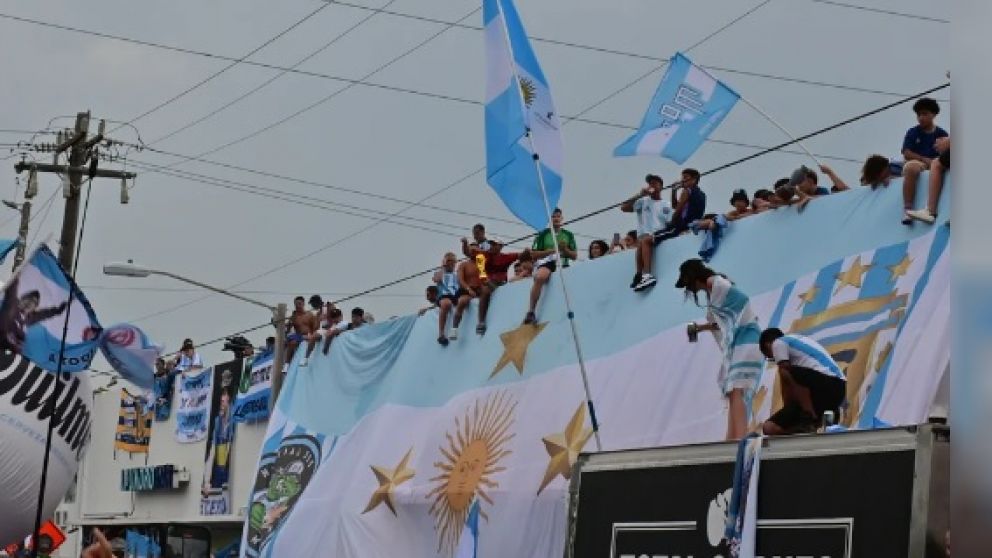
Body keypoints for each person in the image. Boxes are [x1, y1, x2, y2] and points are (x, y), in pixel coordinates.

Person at [675, 259, 764, 440]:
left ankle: (739, 437)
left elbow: (740, 302)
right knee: (732, 390)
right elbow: (723, 321)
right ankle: (732, 437)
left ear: (693, 278)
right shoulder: (713, 291)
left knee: (736, 387)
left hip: (746, 338)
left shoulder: (715, 284)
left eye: (688, 283)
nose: (689, 289)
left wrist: (736, 322)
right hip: (742, 338)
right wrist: (702, 328)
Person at [758, 328, 847, 436]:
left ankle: (809, 416)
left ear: (768, 345)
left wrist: (788, 407)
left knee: (785, 370)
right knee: (769, 427)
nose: (773, 358)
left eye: (770, 357)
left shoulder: (779, 342)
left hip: (828, 385)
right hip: (835, 391)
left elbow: (785, 376)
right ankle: (800, 431)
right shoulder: (799, 341)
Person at [620, 174, 673, 291]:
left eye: (654, 183)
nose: (651, 186)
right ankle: (640, 274)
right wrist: (639, 194)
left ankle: (647, 274)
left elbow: (670, 223)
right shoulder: (643, 201)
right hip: (643, 238)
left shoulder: (667, 204)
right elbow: (623, 207)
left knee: (644, 241)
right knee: (641, 242)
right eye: (650, 183)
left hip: (657, 235)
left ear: (661, 186)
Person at [524, 208, 577, 324]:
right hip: (547, 263)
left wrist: (565, 250)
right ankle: (531, 311)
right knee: (540, 277)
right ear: (550, 219)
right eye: (553, 216)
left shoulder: (568, 234)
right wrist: (553, 250)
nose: (556, 218)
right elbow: (534, 254)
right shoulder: (543, 234)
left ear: (562, 218)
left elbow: (574, 256)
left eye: (558, 216)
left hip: (563, 264)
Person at [901, 97, 949, 224]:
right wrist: (924, 159)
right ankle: (907, 209)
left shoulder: (942, 134)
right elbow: (906, 152)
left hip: (936, 164)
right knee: (911, 167)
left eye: (924, 114)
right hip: (920, 163)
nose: (921, 117)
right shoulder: (913, 132)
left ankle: (933, 209)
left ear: (933, 114)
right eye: (918, 114)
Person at [905, 136, 950, 224]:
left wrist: (949, 141)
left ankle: (930, 211)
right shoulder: (913, 132)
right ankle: (929, 211)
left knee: (936, 163)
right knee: (936, 163)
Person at [658, 168, 706, 240]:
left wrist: (671, 224)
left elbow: (677, 211)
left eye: (685, 177)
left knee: (649, 239)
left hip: (682, 227)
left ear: (694, 180)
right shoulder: (702, 194)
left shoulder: (687, 191)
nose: (682, 180)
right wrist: (674, 191)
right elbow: (676, 206)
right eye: (682, 177)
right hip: (692, 225)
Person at [454, 253, 492, 337]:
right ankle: (454, 329)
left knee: (486, 291)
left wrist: (487, 282)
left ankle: (481, 322)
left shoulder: (481, 263)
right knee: (462, 302)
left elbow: (484, 278)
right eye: (472, 250)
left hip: (479, 289)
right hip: (466, 290)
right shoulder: (464, 264)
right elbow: (460, 280)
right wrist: (468, 289)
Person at [433, 252, 460, 346]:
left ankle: (454, 330)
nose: (450, 263)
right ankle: (441, 333)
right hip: (444, 296)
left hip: (455, 295)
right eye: (448, 261)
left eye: (453, 261)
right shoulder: (440, 273)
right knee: (446, 304)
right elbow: (436, 279)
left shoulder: (457, 275)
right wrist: (443, 268)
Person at [286, 296, 317, 365]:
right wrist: (289, 324)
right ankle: (287, 363)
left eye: (299, 304)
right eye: (296, 304)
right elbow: (287, 330)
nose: (297, 306)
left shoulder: (310, 314)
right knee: (291, 342)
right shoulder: (293, 317)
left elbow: (315, 328)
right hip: (298, 337)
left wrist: (312, 336)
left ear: (303, 304)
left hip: (309, 336)